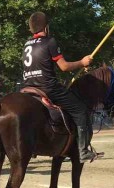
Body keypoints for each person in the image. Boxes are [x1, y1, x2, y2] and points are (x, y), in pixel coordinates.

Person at [22, 11, 97, 163]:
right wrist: (82, 63)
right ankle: (82, 151)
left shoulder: (26, 44)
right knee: (80, 110)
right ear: (46, 27)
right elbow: (63, 66)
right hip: (48, 87)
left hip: (28, 88)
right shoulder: (50, 41)